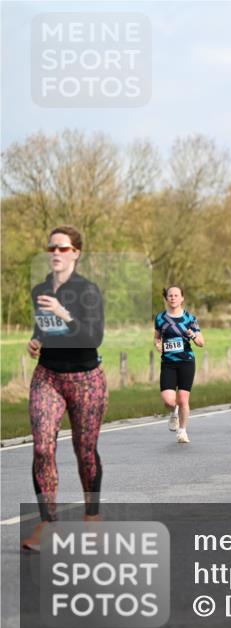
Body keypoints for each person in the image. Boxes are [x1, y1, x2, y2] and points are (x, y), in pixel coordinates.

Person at [22, 226, 107, 551]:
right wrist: (36, 340)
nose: (56, 253)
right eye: (52, 248)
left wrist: (64, 313)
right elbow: (44, 327)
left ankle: (92, 518)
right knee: (42, 448)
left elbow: (93, 337)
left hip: (86, 378)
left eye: (63, 248)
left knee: (85, 451)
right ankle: (47, 525)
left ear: (76, 253)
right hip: (48, 376)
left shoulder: (88, 291)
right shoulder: (41, 289)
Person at [154, 286, 205, 444]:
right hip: (168, 363)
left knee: (183, 399)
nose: (173, 298)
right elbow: (157, 337)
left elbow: (201, 342)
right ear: (166, 298)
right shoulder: (160, 318)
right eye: (170, 295)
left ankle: (182, 431)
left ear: (182, 298)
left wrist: (193, 335)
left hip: (186, 361)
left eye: (176, 295)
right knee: (169, 400)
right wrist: (157, 345)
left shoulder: (189, 318)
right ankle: (174, 412)